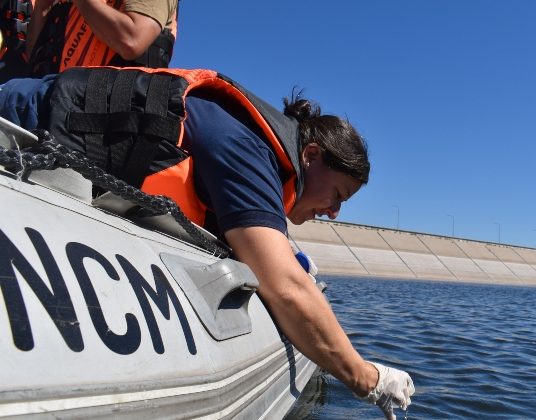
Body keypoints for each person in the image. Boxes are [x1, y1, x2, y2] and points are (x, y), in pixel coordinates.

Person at [0, 66, 415, 419]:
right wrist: (367, 379)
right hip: (19, 120)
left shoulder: (258, 154)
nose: (334, 212)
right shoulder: (246, 147)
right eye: (338, 195)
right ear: (308, 155)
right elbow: (286, 287)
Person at [0, 0, 178, 83]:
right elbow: (33, 58)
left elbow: (132, 40)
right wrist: (40, 8)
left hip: (108, 119)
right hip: (52, 105)